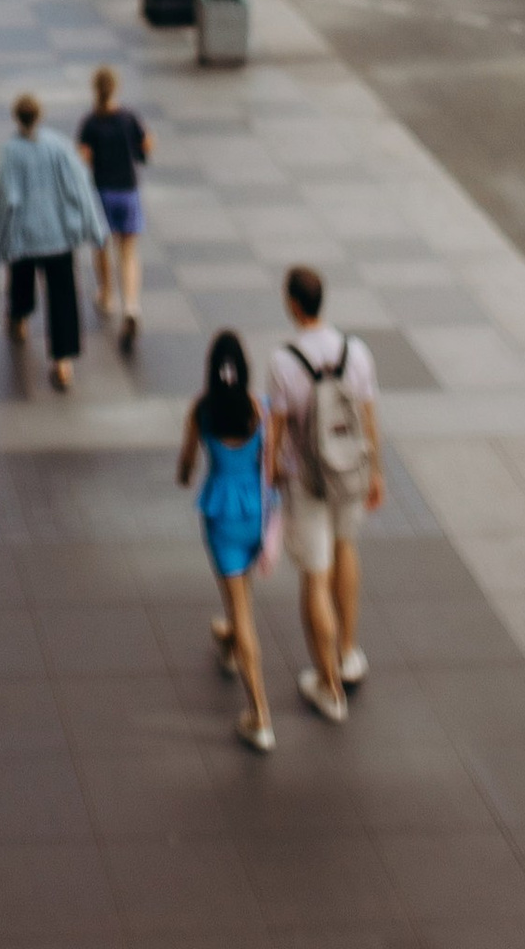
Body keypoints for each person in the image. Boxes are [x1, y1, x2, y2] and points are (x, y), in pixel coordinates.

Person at [267, 264, 383, 723]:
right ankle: (348, 654)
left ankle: (327, 684)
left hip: (308, 480)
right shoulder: (356, 352)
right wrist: (376, 471)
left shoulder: (283, 362)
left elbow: (276, 433)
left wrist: (270, 476)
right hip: (350, 473)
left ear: (294, 303)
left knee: (315, 576)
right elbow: (369, 417)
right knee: (346, 548)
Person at [178, 332, 275, 753]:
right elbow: (271, 464)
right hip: (256, 512)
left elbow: (186, 465)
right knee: (242, 596)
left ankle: (260, 716)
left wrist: (186, 473)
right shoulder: (261, 410)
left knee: (241, 608)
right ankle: (228, 638)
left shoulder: (202, 411)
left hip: (221, 516)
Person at [0, 92, 107, 390]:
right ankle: (62, 361)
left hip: (24, 236)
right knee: (63, 294)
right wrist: (95, 228)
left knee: (21, 279)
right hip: (58, 237)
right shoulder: (59, 146)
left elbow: (3, 199)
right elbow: (80, 189)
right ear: (40, 115)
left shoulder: (9, 152)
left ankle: (19, 317)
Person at [77, 64, 152, 352]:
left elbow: (83, 156)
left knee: (102, 246)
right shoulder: (128, 117)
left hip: (102, 192)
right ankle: (131, 305)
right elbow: (145, 143)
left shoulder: (90, 123)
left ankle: (106, 294)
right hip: (128, 191)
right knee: (129, 251)